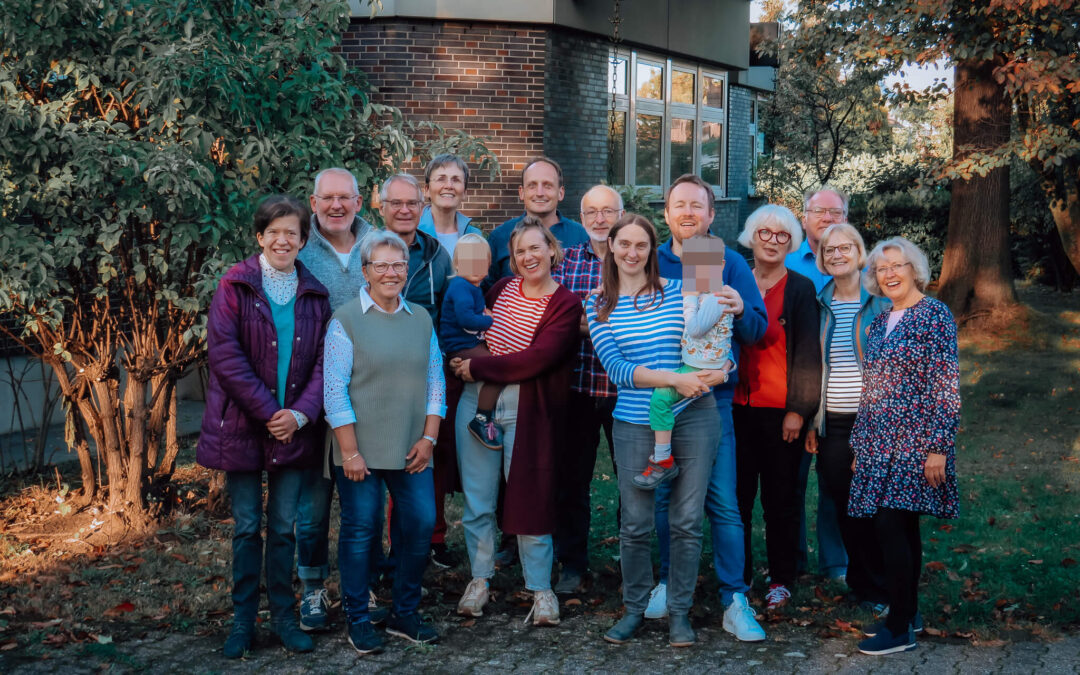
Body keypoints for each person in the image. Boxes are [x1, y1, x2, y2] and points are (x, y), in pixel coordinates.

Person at [197, 195, 330, 658]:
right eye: (273, 231)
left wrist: (298, 414)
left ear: (302, 240)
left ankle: (284, 619)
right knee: (247, 526)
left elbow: (322, 365)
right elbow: (225, 357)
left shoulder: (315, 293)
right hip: (243, 426)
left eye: (291, 232)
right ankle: (242, 623)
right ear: (259, 237)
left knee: (284, 529)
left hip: (294, 429)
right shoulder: (234, 286)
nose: (282, 239)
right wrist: (269, 411)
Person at [588, 214, 724, 648]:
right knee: (635, 524)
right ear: (611, 246)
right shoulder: (599, 305)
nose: (631, 252)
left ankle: (680, 614)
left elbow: (714, 345)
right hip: (634, 422)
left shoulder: (677, 292)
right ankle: (634, 609)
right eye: (623, 244)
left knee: (686, 521)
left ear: (652, 250)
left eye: (641, 245)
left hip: (696, 416)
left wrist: (717, 369)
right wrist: (673, 379)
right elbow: (618, 371)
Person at [649, 174, 769, 643]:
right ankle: (665, 582)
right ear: (667, 213)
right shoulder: (651, 260)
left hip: (713, 398)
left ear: (711, 214)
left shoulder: (727, 262)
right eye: (679, 205)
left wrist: (740, 308)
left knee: (722, 500)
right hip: (661, 398)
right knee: (663, 493)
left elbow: (757, 331)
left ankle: (733, 598)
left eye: (697, 206)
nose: (688, 213)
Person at [450, 217, 581, 627]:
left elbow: (538, 359)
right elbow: (465, 326)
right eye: (520, 251)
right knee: (478, 499)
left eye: (535, 248)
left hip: (530, 405)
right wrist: (465, 360)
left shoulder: (565, 304)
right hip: (477, 401)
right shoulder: (500, 289)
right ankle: (480, 580)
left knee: (531, 495)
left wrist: (479, 364)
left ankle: (540, 589)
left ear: (552, 251)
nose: (528, 257)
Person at [322, 230, 446, 654]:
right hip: (359, 450)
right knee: (361, 530)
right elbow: (334, 391)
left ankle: (405, 613)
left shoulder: (422, 319)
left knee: (421, 525)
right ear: (365, 272)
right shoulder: (345, 320)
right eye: (382, 266)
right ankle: (358, 618)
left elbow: (435, 382)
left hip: (412, 446)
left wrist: (429, 438)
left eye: (398, 266)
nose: (391, 273)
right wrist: (351, 452)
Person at [850, 237, 960, 655]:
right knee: (901, 528)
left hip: (916, 440)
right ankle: (907, 613)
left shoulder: (934, 315)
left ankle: (898, 627)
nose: (890, 273)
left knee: (892, 525)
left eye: (898, 265)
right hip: (877, 441)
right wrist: (860, 445)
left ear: (915, 270)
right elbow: (871, 389)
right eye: (882, 268)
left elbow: (945, 383)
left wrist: (939, 446)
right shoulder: (879, 323)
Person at [294, 167, 376, 631]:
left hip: (367, 396)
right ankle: (311, 588)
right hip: (310, 396)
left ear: (359, 202)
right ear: (313, 202)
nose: (337, 206)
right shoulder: (298, 248)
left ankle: (361, 585)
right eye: (328, 199)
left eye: (346, 198)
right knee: (313, 505)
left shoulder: (379, 244)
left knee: (363, 503)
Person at [731, 205, 821, 609]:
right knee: (736, 498)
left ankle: (781, 579)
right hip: (732, 406)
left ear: (792, 243)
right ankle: (740, 575)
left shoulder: (800, 288)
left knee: (780, 499)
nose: (772, 240)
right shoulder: (731, 277)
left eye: (782, 235)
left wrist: (798, 410)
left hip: (779, 410)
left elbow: (807, 355)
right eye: (764, 233)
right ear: (751, 236)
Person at [804, 223, 891, 614]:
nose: (836, 255)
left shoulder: (881, 303)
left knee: (875, 504)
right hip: (832, 422)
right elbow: (812, 366)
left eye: (845, 248)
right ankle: (861, 581)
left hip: (872, 419)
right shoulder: (818, 302)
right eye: (829, 250)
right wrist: (812, 421)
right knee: (843, 503)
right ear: (822, 259)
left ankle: (882, 585)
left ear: (859, 253)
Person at [549, 185, 622, 595]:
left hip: (627, 391)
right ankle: (572, 565)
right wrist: (607, 323)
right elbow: (556, 321)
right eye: (591, 211)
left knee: (632, 483)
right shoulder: (565, 263)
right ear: (581, 217)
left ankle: (630, 565)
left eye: (608, 211)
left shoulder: (637, 258)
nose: (600, 219)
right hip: (576, 387)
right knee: (571, 480)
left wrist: (587, 322)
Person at [785, 186, 850, 582]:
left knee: (837, 482)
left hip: (843, 392)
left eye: (835, 212)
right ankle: (792, 565)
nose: (827, 218)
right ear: (804, 216)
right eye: (819, 211)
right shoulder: (786, 261)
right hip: (792, 390)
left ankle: (837, 563)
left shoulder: (861, 266)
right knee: (789, 483)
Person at [636, 236, 734, 491]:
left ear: (720, 265)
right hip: (701, 362)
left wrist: (688, 299)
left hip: (698, 368)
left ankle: (662, 459)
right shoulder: (708, 293)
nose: (699, 272)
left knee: (659, 399)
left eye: (706, 265)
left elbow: (696, 328)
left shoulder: (714, 297)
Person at [438, 233, 505, 450]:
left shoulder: (473, 287)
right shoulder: (460, 287)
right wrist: (489, 320)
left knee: (499, 360)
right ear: (457, 264)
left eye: (481, 261)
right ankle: (482, 418)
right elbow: (466, 318)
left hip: (469, 343)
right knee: (498, 369)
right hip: (460, 346)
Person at [484, 156, 589, 287]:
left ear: (560, 193)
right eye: (532, 186)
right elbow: (483, 290)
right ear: (521, 193)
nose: (539, 193)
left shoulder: (581, 236)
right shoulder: (500, 237)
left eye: (548, 185)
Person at [379, 173, 453, 324]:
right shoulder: (364, 252)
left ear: (421, 208)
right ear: (381, 208)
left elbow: (450, 316)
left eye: (412, 203)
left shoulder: (437, 255)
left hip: (426, 346)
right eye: (396, 203)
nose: (405, 210)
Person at [418, 153, 485, 254]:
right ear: (427, 190)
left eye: (456, 180)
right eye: (441, 179)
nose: (449, 186)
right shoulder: (413, 233)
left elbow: (473, 270)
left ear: (465, 192)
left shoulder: (473, 236)